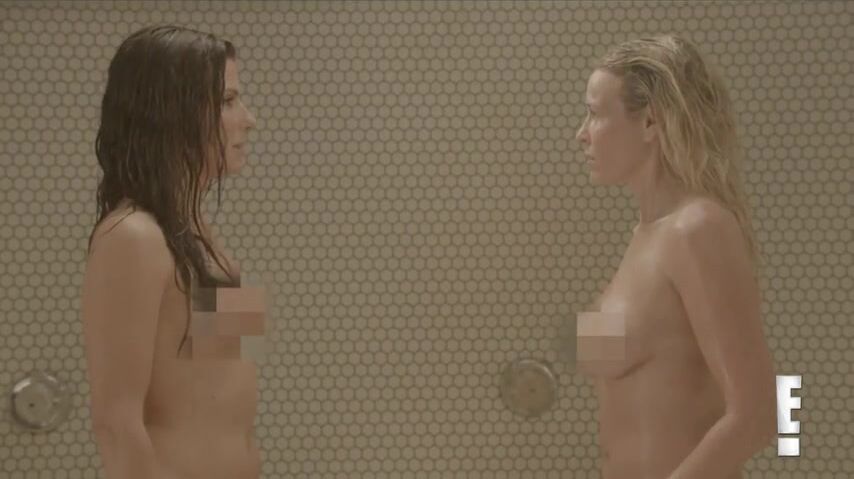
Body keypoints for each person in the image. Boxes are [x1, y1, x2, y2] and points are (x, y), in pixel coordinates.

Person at [573, 34, 777, 479]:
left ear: (650, 122)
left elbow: (761, 415)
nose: (581, 134)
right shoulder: (648, 235)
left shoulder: (697, 229)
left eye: (595, 114)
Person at [80, 25, 258, 479]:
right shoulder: (133, 236)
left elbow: (216, 390)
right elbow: (116, 423)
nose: (249, 119)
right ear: (173, 112)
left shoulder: (201, 239)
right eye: (228, 101)